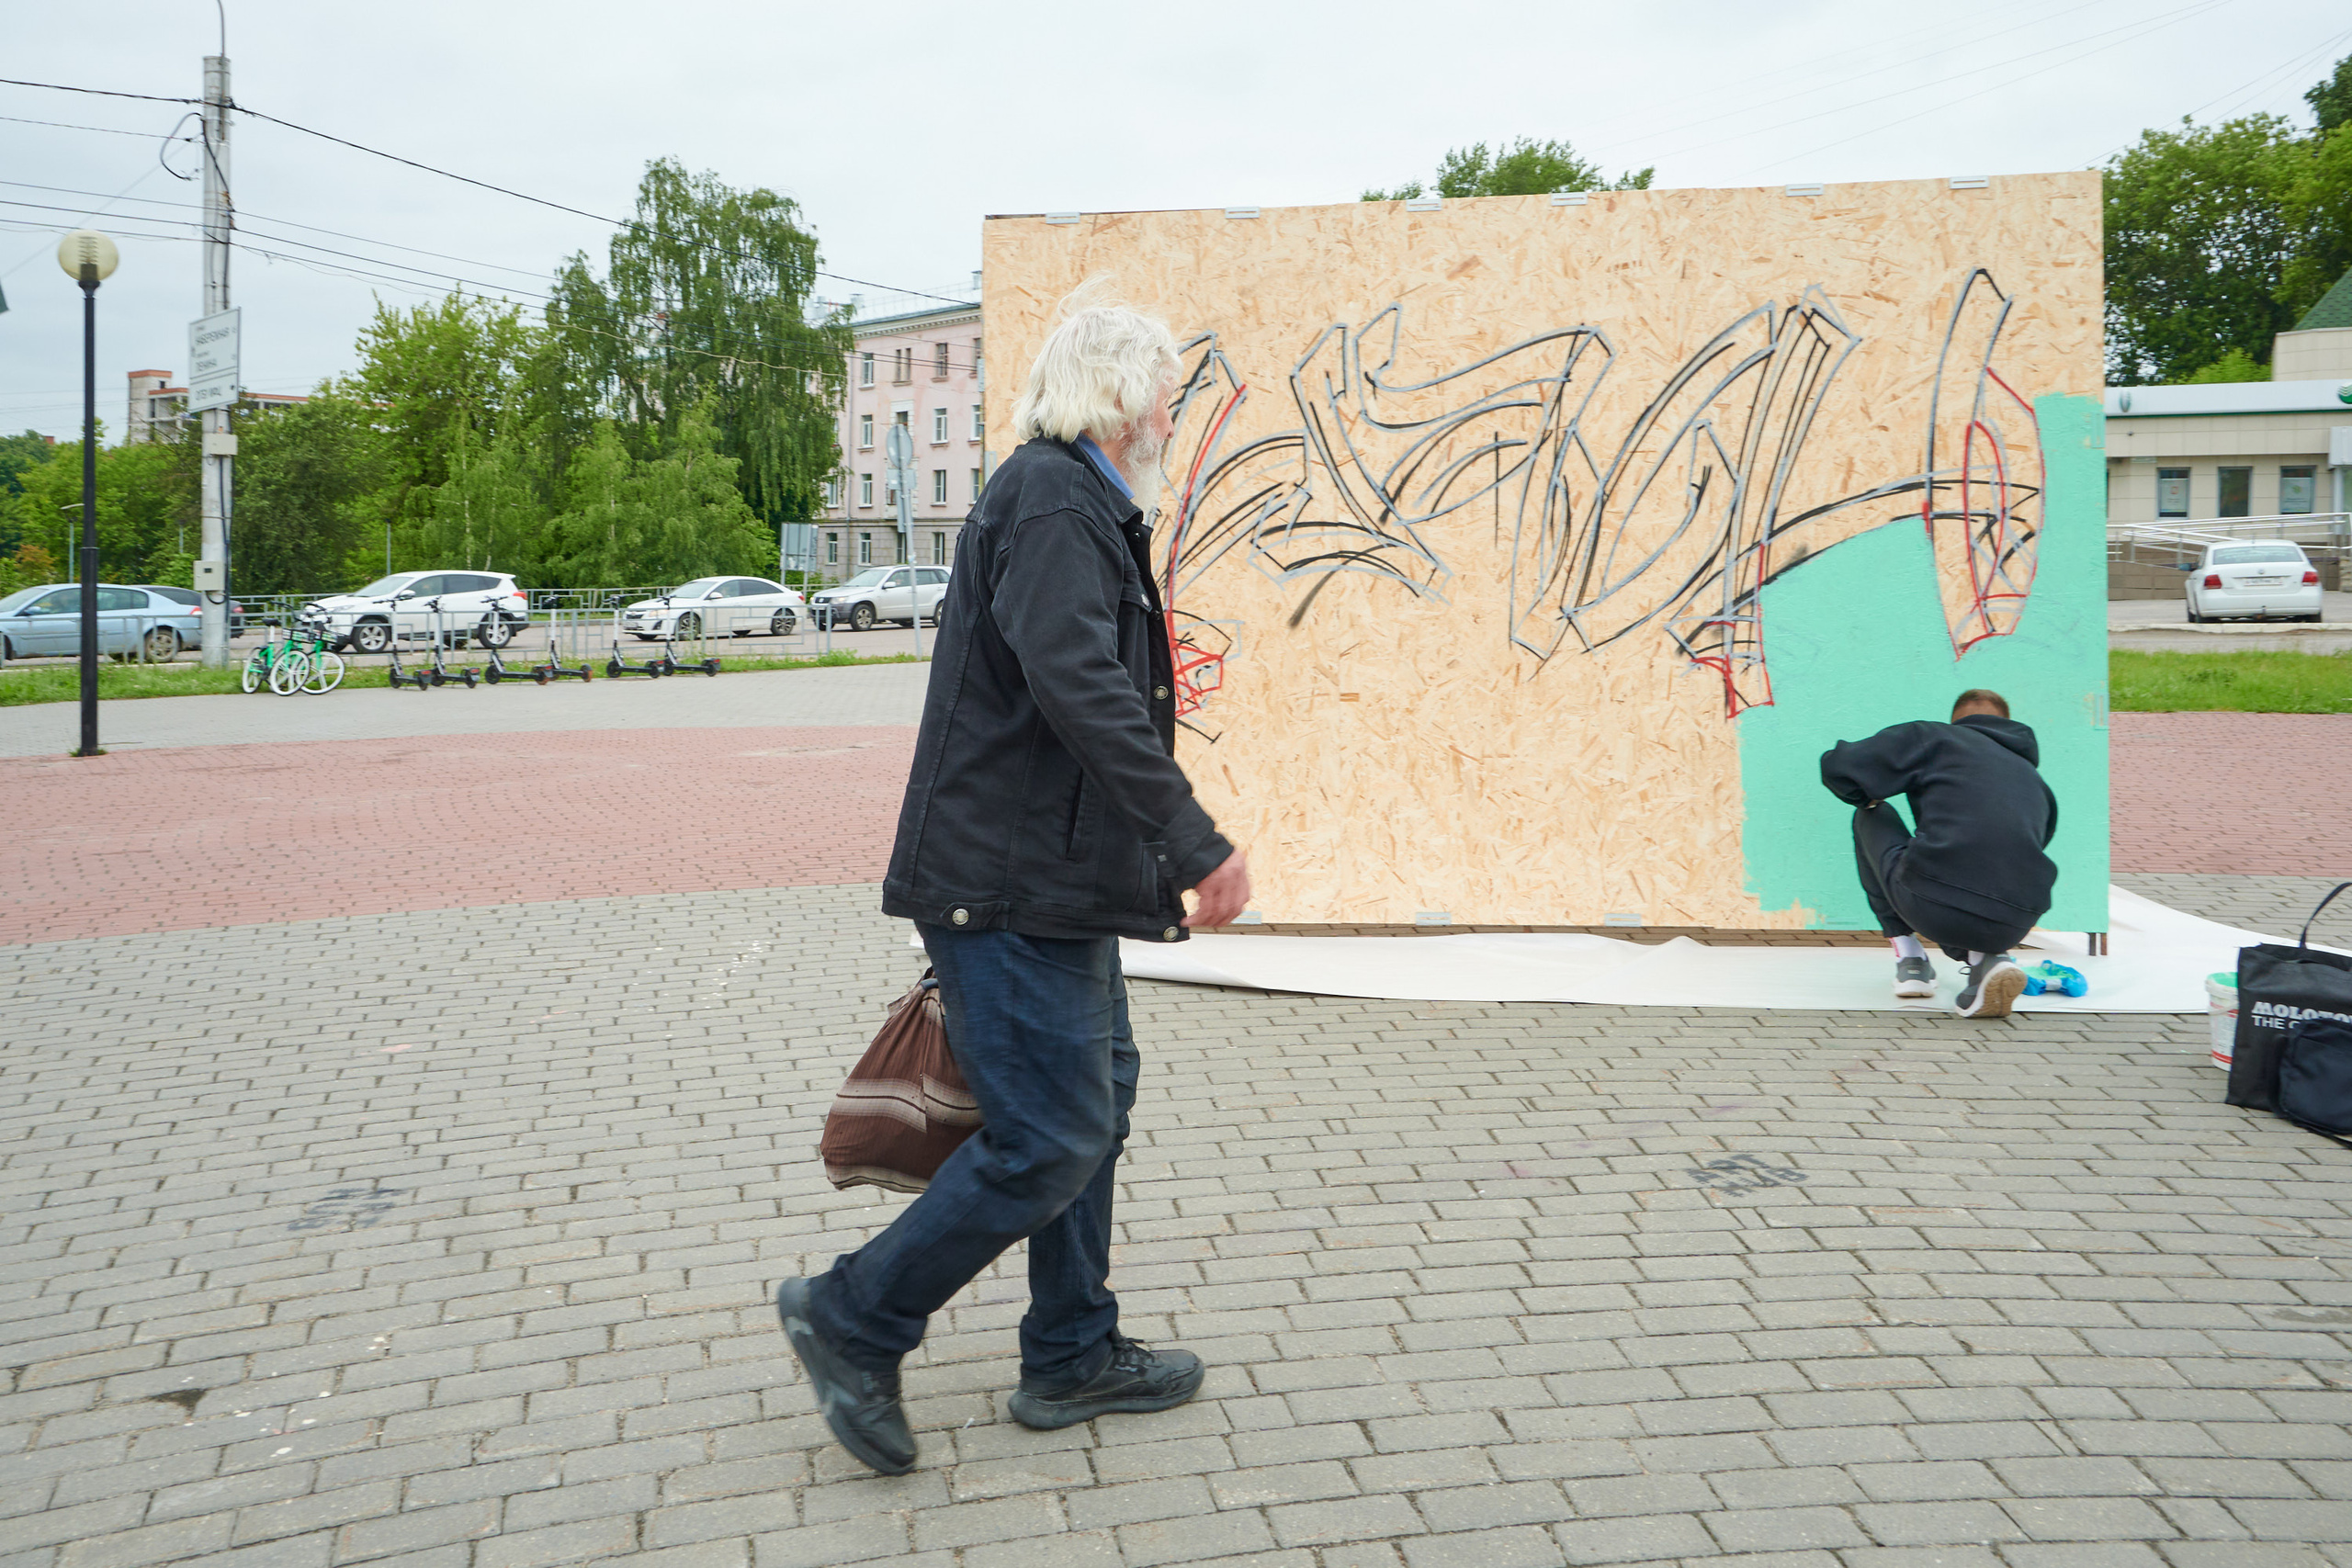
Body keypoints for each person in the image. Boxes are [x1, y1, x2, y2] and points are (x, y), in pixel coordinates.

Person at [774, 284, 1252, 1475]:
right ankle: (854, 1313)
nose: (1172, 418)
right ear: (1121, 397)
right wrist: (1193, 841)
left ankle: (1071, 1350)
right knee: (1049, 1133)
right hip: (1004, 884)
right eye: (1166, 397)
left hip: (1056, 880)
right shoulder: (1049, 500)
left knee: (1095, 1106)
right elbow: (1077, 679)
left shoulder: (1079, 501)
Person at [1819, 688, 2058, 1019]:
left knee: (1871, 815)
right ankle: (1988, 960)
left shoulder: (1935, 739)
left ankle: (1911, 961)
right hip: (2016, 923)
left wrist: (1865, 795)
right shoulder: (2036, 783)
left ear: (1957, 723)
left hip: (1933, 905)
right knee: (1977, 881)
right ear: (2007, 726)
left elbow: (1838, 765)